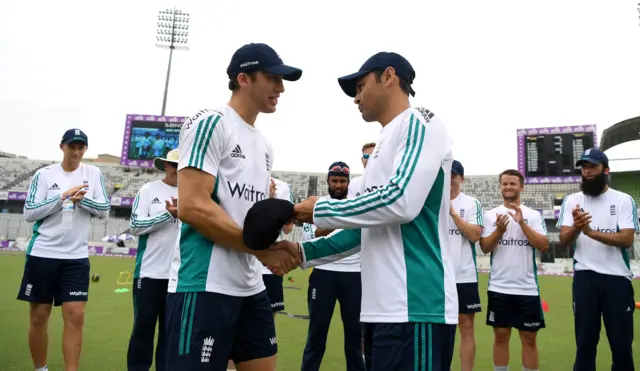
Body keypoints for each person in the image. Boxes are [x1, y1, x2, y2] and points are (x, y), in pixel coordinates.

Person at [273, 52, 459, 371]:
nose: (356, 97)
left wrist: (322, 209)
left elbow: (400, 200)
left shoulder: (419, 123)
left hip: (415, 307)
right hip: (380, 311)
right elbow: (363, 232)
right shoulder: (383, 145)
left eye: (360, 86)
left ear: (388, 76)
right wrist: (300, 252)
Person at [165, 43, 302, 371]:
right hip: (204, 285)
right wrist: (261, 251)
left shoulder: (264, 144)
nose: (281, 88)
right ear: (243, 78)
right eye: (272, 78)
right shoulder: (211, 123)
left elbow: (248, 215)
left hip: (251, 286)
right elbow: (193, 206)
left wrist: (277, 234)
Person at [17, 129, 110, 371]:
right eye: (72, 147)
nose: (77, 152)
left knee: (75, 315)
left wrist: (82, 200)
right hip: (43, 254)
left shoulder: (93, 173)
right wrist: (63, 197)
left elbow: (104, 210)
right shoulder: (45, 175)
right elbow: (29, 213)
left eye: (81, 147)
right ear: (62, 147)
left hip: (76, 256)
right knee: (39, 316)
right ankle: (41, 369)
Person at [557, 148, 638, 371]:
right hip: (585, 278)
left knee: (621, 346)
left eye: (593, 166)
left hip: (617, 280)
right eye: (584, 167)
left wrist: (591, 233)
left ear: (606, 170)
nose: (588, 171)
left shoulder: (623, 200)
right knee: (585, 344)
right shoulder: (572, 200)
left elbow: (627, 239)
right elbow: (564, 239)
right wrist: (577, 226)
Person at [479, 169, 549, 371]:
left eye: (512, 184)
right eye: (504, 184)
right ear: (500, 187)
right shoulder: (491, 215)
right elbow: (485, 248)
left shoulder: (533, 215)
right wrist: (499, 231)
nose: (508, 187)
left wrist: (522, 224)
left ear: (521, 187)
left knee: (529, 338)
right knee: (501, 336)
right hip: (499, 287)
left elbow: (543, 245)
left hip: (526, 288)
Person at [300, 162, 365, 371]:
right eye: (334, 181)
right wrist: (331, 224)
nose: (338, 185)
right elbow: (307, 238)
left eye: (342, 181)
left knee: (355, 337)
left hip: (354, 275)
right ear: (328, 181)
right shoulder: (318, 206)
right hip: (324, 274)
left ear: (348, 183)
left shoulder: (358, 205)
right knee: (316, 335)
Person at [228, 177, 295, 371]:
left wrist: (273, 203)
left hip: (269, 266)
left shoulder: (283, 187)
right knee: (234, 323)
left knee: (264, 323)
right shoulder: (243, 178)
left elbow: (288, 228)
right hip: (242, 262)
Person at [127, 149, 180, 371]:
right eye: (175, 166)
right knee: (143, 329)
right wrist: (168, 214)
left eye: (184, 167)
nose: (179, 171)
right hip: (149, 274)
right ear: (166, 166)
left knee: (170, 335)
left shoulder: (196, 194)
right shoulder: (149, 190)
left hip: (179, 277)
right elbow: (135, 226)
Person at [448, 160, 483, 371]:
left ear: (461, 178)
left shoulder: (471, 203)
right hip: (436, 276)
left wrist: (452, 213)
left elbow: (474, 235)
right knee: (438, 328)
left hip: (463, 276)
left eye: (454, 174)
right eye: (446, 173)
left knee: (467, 327)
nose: (450, 178)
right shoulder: (428, 201)